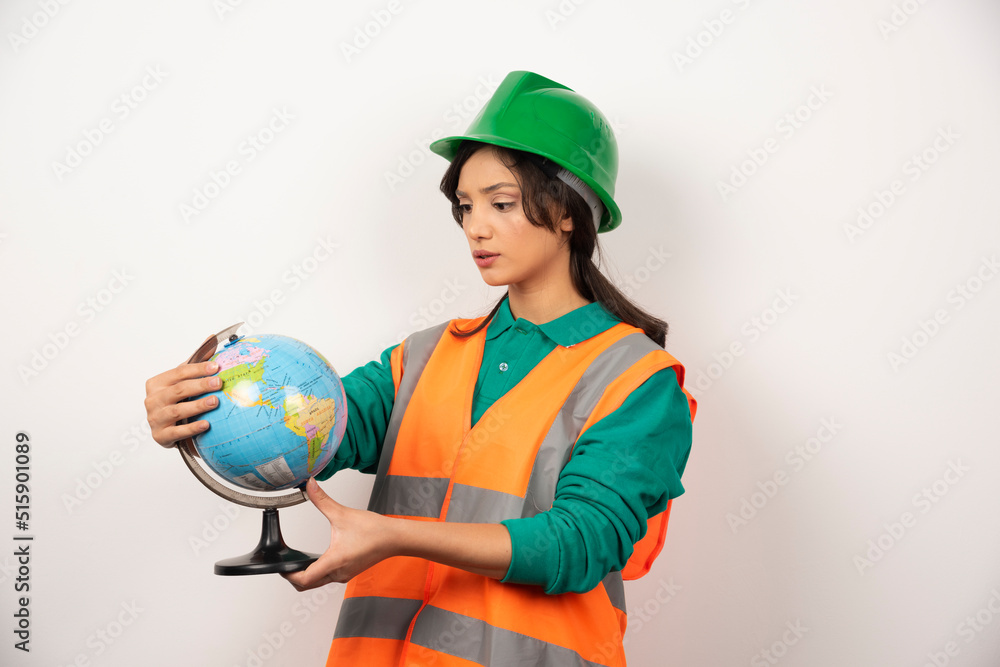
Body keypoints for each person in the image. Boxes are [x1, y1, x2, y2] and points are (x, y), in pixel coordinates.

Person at [144, 70, 696, 667]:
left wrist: (396, 535)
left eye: (502, 203)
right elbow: (315, 430)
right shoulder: (424, 356)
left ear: (568, 213)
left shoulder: (637, 379)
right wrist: (200, 412)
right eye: (465, 206)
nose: (475, 227)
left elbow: (581, 542)